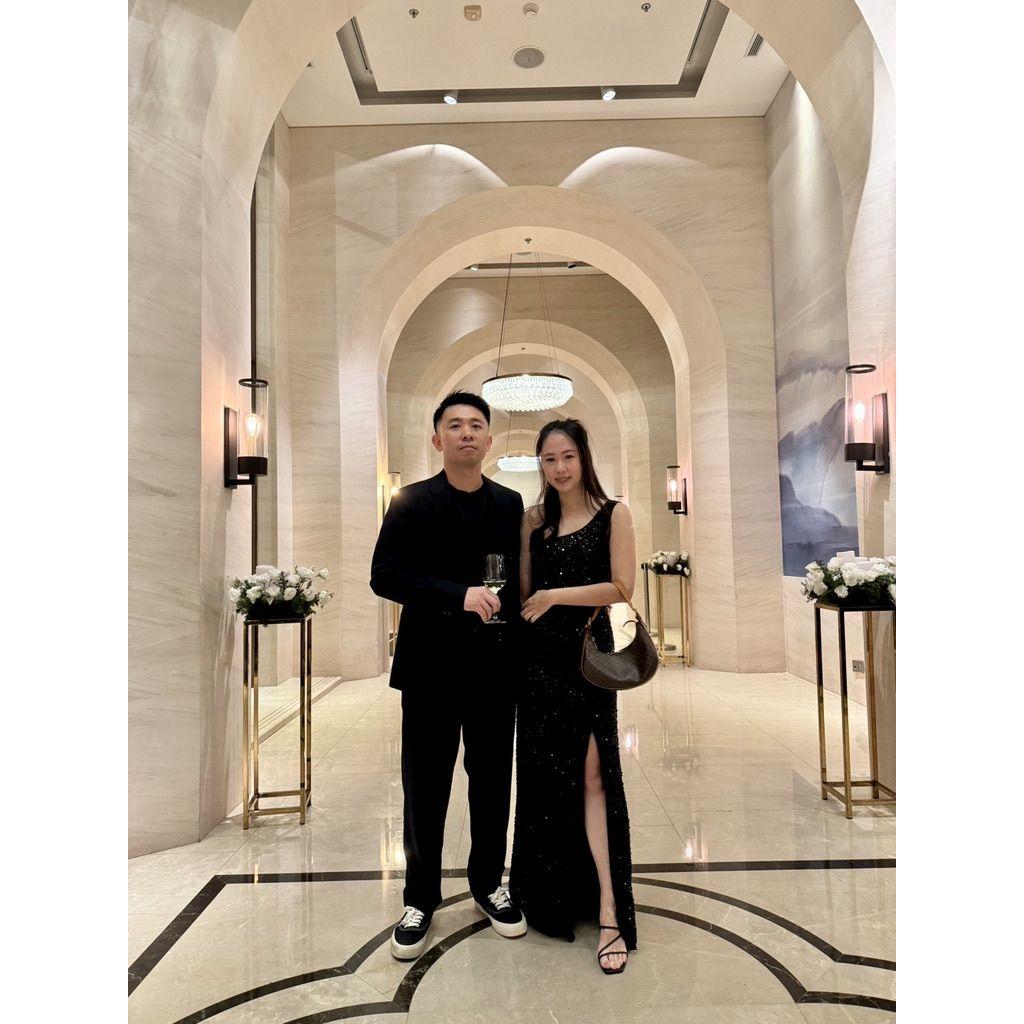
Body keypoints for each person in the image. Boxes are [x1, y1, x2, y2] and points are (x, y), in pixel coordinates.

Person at [370, 391, 528, 960]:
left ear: (489, 440)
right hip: (430, 669)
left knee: (492, 781)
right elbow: (384, 575)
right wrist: (455, 594)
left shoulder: (509, 504)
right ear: (438, 439)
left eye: (476, 425)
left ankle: (489, 884)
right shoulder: (411, 502)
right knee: (425, 784)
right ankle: (419, 897)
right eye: (455, 425)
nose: (466, 433)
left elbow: (518, 580)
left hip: (494, 668)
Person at [509, 418, 638, 975]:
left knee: (592, 776)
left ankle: (609, 908)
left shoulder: (614, 514)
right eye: (549, 459)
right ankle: (550, 894)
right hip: (539, 663)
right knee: (544, 778)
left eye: (567, 456)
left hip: (587, 659)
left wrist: (555, 595)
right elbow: (522, 595)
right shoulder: (533, 522)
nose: (559, 468)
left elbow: (622, 587)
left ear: (583, 457)